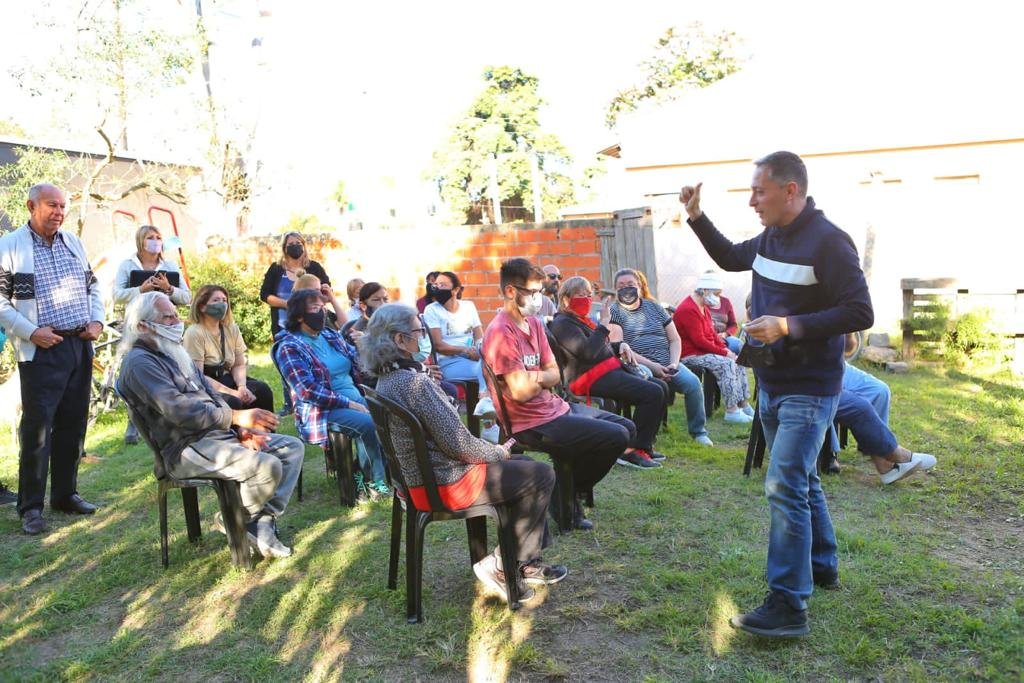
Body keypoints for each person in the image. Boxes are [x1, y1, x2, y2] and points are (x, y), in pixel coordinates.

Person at [680, 151, 873, 637]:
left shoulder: (829, 242)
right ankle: (822, 565)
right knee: (801, 479)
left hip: (811, 386)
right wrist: (697, 217)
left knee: (783, 483)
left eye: (759, 191)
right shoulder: (770, 238)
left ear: (791, 190)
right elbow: (729, 256)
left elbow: (859, 311)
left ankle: (789, 604)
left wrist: (790, 325)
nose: (752, 201)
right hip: (771, 381)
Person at [362, 303, 567, 603]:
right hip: (446, 484)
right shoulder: (413, 383)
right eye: (418, 331)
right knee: (541, 473)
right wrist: (497, 451)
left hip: (420, 482)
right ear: (399, 340)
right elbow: (459, 444)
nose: (424, 338)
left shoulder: (389, 380)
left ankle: (522, 561)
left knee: (524, 466)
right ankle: (506, 565)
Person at [116, 291, 302, 558]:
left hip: (216, 435)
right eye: (167, 317)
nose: (176, 321)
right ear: (142, 325)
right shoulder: (139, 364)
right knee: (267, 466)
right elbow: (179, 411)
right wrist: (236, 418)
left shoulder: (171, 351)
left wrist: (239, 430)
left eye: (175, 314)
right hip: (185, 447)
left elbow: (211, 394)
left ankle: (256, 519)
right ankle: (240, 520)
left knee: (291, 449)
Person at [482, 258, 633, 531]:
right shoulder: (501, 332)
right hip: (531, 422)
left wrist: (535, 378)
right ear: (510, 292)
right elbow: (518, 392)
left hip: (554, 407)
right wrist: (541, 379)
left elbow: (555, 374)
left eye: (541, 291)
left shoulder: (536, 324)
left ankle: (567, 491)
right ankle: (564, 495)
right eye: (533, 292)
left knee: (626, 427)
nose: (539, 298)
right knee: (616, 435)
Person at [0, 184, 104, 535]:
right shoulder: (11, 246)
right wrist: (31, 332)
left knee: (74, 424)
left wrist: (97, 320)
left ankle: (64, 494)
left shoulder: (73, 242)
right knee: (38, 429)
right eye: (51, 205)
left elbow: (93, 286)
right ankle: (30, 507)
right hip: (41, 349)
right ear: (31, 205)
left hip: (78, 343)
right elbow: (0, 303)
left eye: (63, 205)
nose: (59, 211)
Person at [273, 289, 389, 497]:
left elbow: (357, 361)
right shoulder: (289, 347)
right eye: (315, 309)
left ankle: (364, 472)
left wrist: (366, 346)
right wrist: (348, 403)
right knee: (367, 424)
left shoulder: (329, 335)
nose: (322, 314)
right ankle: (375, 485)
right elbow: (307, 390)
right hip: (321, 410)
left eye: (323, 308)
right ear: (299, 315)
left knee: (389, 414)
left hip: (355, 397)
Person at [549, 276, 666, 469]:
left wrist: (620, 345)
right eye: (581, 295)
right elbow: (588, 353)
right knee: (652, 393)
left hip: (603, 370)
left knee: (660, 386)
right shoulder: (562, 324)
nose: (586, 299)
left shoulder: (580, 321)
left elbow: (598, 347)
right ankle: (630, 451)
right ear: (566, 299)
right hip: (587, 378)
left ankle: (644, 446)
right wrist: (604, 324)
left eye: (589, 294)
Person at [607, 267, 713, 447]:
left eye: (631, 284)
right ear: (615, 289)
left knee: (693, 384)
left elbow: (675, 339)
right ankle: (647, 435)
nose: (626, 288)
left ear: (640, 285)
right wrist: (655, 367)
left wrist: (673, 363)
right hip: (637, 364)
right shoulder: (614, 312)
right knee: (651, 384)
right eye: (621, 285)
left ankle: (698, 432)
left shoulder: (654, 307)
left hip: (668, 362)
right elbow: (620, 349)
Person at [112, 224, 192, 444]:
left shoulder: (170, 265)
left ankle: (176, 412)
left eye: (158, 237)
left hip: (166, 326)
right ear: (140, 241)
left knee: (172, 368)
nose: (156, 240)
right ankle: (134, 421)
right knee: (138, 368)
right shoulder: (128, 265)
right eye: (150, 237)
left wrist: (168, 288)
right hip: (139, 325)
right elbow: (116, 295)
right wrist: (141, 290)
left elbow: (187, 297)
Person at [835, 339, 937, 484]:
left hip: (834, 362)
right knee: (859, 407)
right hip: (808, 371)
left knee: (880, 390)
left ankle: (883, 459)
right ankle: (895, 458)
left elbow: (849, 348)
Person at [260, 231, 333, 416]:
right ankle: (290, 403)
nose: (295, 246)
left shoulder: (314, 267)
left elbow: (326, 292)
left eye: (298, 243)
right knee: (288, 363)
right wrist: (291, 305)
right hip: (284, 323)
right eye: (291, 243)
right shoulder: (276, 269)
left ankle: (321, 396)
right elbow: (265, 295)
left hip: (311, 325)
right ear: (284, 248)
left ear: (304, 245)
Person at [673, 270, 754, 424]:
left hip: (702, 351)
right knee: (727, 363)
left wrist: (726, 349)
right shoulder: (688, 309)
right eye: (716, 293)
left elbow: (711, 334)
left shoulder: (702, 306)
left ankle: (744, 405)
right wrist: (724, 353)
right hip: (690, 355)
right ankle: (732, 411)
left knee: (738, 360)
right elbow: (700, 341)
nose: (717, 298)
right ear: (704, 290)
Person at [183, 284, 274, 411]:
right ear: (202, 306)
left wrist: (242, 387)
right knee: (233, 402)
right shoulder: (194, 333)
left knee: (262, 390)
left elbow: (238, 364)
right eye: (216, 300)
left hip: (228, 377)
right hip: (206, 385)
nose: (222, 304)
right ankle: (238, 431)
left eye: (224, 300)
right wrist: (233, 393)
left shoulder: (231, 329)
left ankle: (267, 429)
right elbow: (198, 376)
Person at [422, 271, 484, 385]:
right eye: (436, 285)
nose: (437, 288)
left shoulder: (468, 306)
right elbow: (438, 345)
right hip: (448, 362)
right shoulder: (432, 310)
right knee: (486, 371)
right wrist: (465, 350)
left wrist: (479, 351)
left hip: (474, 358)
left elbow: (479, 335)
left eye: (442, 285)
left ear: (455, 290)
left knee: (498, 366)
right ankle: (484, 399)